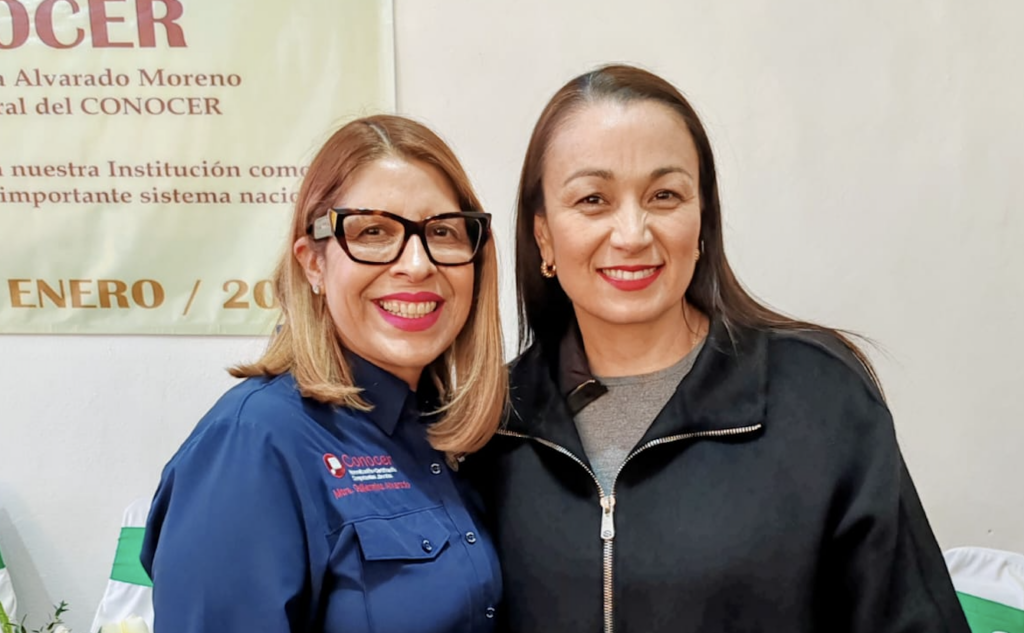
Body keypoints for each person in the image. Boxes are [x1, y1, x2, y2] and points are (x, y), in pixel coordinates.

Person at [467, 65, 971, 632]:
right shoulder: (491, 423)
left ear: (702, 218)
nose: (632, 234)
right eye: (593, 199)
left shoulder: (820, 398)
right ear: (543, 235)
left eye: (664, 195)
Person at [141, 114, 507, 633]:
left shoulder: (452, 432)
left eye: (442, 231)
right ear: (313, 263)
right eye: (374, 231)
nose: (417, 264)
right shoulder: (254, 443)